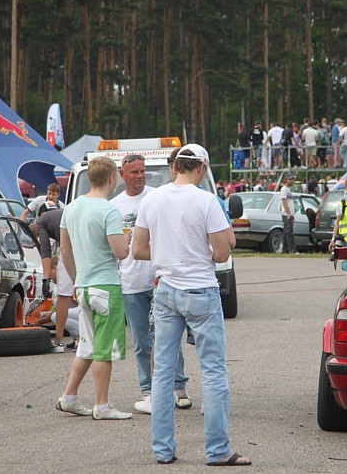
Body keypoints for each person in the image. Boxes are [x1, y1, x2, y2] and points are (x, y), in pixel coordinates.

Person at [132, 144, 251, 466]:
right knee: (212, 372)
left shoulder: (152, 199)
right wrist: (203, 250)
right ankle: (217, 450)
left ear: (176, 167)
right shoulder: (206, 201)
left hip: (166, 290)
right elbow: (223, 254)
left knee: (164, 373)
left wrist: (168, 254)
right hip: (201, 290)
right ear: (201, 167)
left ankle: (163, 450)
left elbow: (139, 250)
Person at [110, 153, 191, 415]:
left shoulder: (159, 197)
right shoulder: (115, 206)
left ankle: (178, 387)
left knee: (168, 338)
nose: (140, 176)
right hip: (131, 282)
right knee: (143, 341)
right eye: (134, 172)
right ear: (122, 175)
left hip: (161, 279)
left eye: (143, 171)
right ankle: (148, 389)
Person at [56, 156, 132, 421]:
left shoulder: (72, 208)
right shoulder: (109, 211)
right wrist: (128, 238)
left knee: (87, 346)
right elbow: (120, 251)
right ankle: (102, 405)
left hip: (84, 285)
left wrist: (77, 279)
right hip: (106, 285)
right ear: (111, 178)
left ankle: (70, 396)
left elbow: (65, 249)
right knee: (104, 349)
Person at [35, 208, 73, 352]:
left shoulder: (40, 222)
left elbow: (45, 250)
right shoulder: (61, 212)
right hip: (85, 243)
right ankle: (87, 338)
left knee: (63, 294)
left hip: (69, 246)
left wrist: (45, 279)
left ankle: (58, 342)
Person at [280, 173, 297, 254]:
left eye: (293, 179)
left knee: (286, 232)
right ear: (286, 180)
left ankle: (285, 250)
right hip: (287, 214)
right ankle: (292, 250)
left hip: (290, 214)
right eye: (290, 179)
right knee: (289, 232)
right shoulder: (284, 189)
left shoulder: (288, 190)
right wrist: (288, 213)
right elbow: (284, 202)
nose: (292, 181)